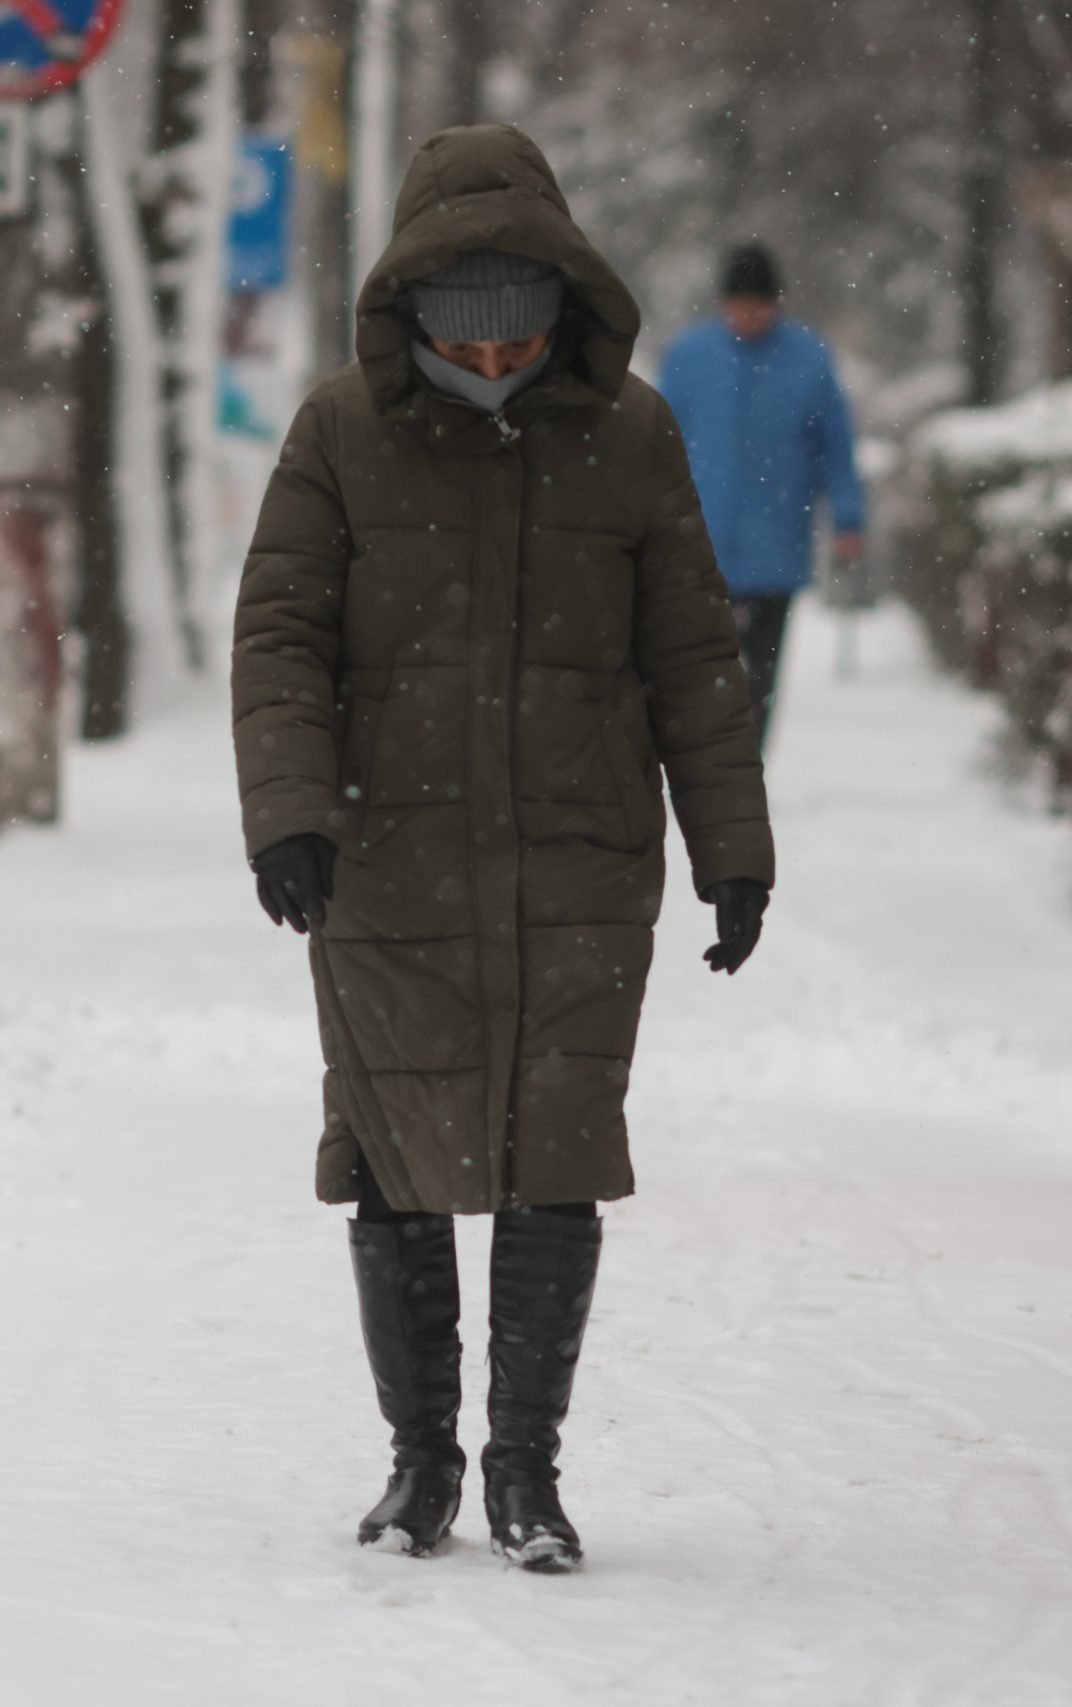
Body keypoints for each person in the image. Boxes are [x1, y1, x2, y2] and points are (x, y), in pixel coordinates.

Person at [231, 124, 773, 1573]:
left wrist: (735, 847)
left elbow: (693, 660)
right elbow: (280, 633)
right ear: (413, 317)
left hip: (580, 861)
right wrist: (286, 809)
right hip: (383, 861)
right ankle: (422, 1466)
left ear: (560, 301)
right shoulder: (340, 430)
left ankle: (527, 1469)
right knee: (394, 1160)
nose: (490, 367)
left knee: (558, 1155)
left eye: (516, 337)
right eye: (461, 344)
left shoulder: (635, 434)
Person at [657, 242, 867, 748]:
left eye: (758, 305)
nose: (748, 316)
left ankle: (749, 764)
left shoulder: (809, 359)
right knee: (701, 666)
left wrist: (849, 517)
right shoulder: (689, 356)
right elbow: (656, 442)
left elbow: (836, 446)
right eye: (739, 305)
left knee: (760, 673)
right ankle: (705, 759)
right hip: (698, 545)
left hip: (777, 544)